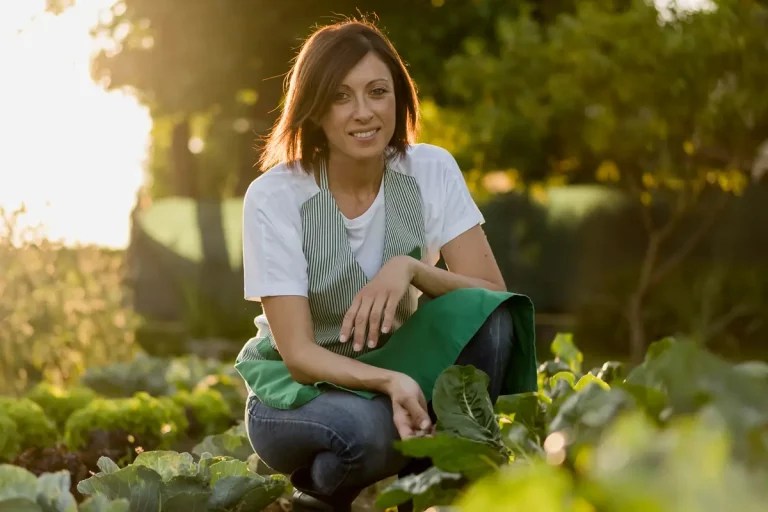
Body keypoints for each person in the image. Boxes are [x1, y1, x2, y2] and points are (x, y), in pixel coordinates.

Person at [235, 18, 538, 512]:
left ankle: (432, 496)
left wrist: (410, 269)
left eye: (377, 92)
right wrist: (392, 382)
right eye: (340, 97)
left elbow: (489, 297)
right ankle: (317, 493)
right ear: (315, 111)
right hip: (300, 389)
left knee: (497, 320)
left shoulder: (431, 169)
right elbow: (298, 354)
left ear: (397, 97)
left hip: (403, 361)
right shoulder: (275, 196)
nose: (363, 113)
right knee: (366, 436)